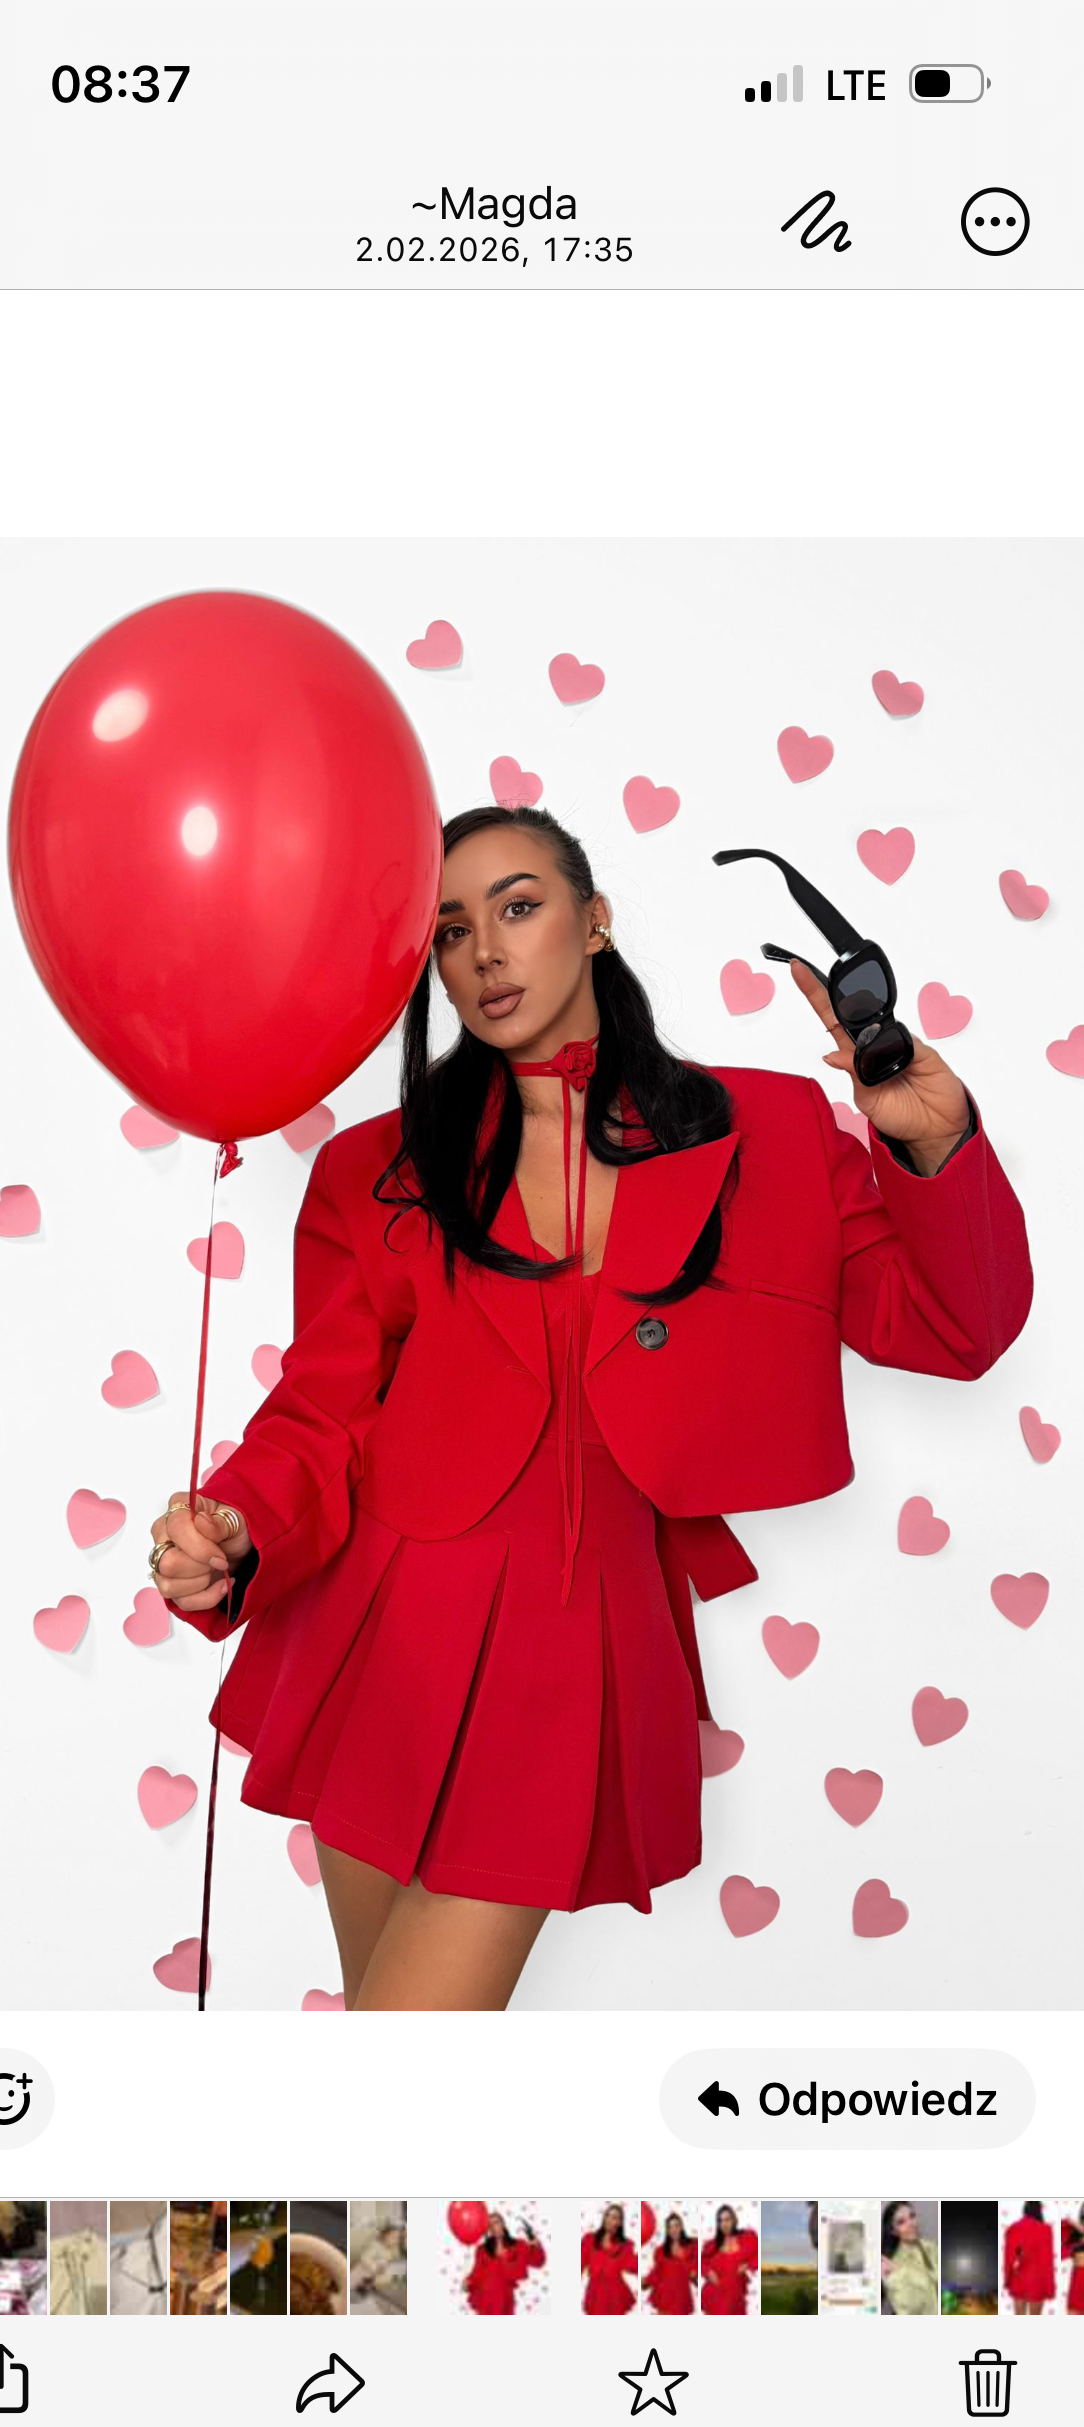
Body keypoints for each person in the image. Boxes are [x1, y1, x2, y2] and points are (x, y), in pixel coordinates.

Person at [151, 803, 1033, 2012]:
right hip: (377, 1638)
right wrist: (239, 1525)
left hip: (575, 1647)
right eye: (448, 930)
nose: (484, 952)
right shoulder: (374, 1166)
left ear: (595, 920)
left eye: (517, 907)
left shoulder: (771, 1133)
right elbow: (322, 1413)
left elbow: (956, 1330)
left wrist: (933, 1147)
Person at [463, 2212, 545, 2316]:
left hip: (504, 2297)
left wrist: (536, 2245)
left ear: (503, 2223)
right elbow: (477, 2272)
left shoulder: (518, 2245)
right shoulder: (482, 2249)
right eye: (490, 2225)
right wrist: (468, 2281)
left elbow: (538, 2262)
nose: (493, 2227)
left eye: (496, 2222)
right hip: (485, 2298)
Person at [880, 2202, 939, 2315]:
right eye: (901, 2222)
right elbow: (909, 2310)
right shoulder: (894, 2265)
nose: (911, 2224)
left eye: (912, 2216)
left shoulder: (931, 2247)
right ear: (893, 2231)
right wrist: (894, 2276)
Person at [581, 2203, 638, 2314]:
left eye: (614, 2217)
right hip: (595, 2291)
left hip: (615, 2293)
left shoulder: (626, 2245)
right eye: (607, 2215)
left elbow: (633, 2266)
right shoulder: (589, 2239)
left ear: (620, 2222)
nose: (609, 2219)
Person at [701, 2205, 757, 2315]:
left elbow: (758, 2255)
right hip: (713, 2297)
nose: (724, 2224)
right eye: (720, 2221)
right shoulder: (711, 2245)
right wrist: (708, 2272)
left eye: (727, 2219)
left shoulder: (748, 2237)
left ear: (734, 2220)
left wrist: (748, 2265)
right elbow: (700, 2262)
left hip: (736, 2298)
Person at [1003, 2201, 1055, 2315]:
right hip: (1037, 2280)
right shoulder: (1045, 2229)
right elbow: (1047, 2260)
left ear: (1025, 2210)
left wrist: (1007, 2280)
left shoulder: (1013, 2228)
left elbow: (1008, 2257)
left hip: (1018, 2278)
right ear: (1039, 2211)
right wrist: (1050, 2287)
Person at [643, 2210, 698, 2314]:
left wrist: (683, 2257)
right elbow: (657, 2272)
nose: (674, 2229)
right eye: (670, 2227)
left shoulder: (693, 2245)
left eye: (676, 2226)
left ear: (681, 2227)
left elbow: (695, 2271)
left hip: (681, 2295)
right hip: (663, 2294)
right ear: (667, 2230)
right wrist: (645, 2281)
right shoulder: (660, 2251)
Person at [1061, 2208, 1084, 2315]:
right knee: (1074, 2311)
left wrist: (1076, 2225)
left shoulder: (1076, 2226)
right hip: (1078, 2274)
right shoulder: (1074, 2229)